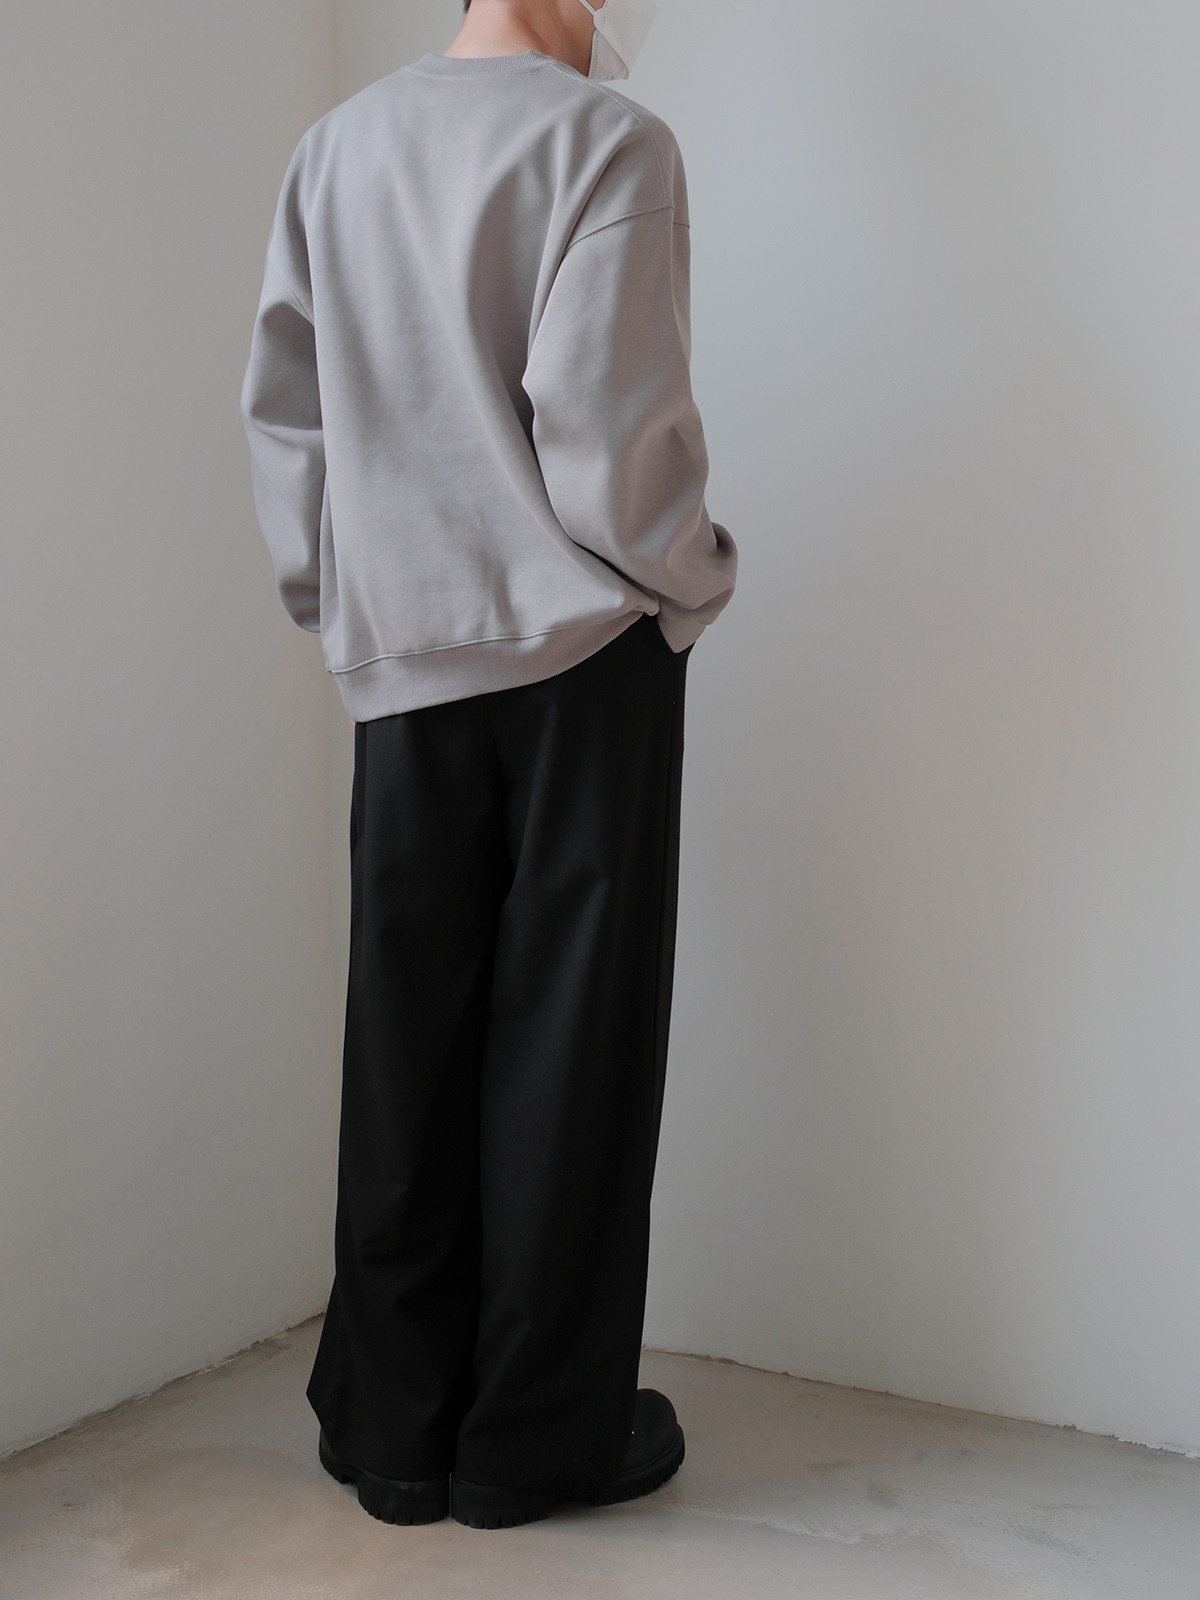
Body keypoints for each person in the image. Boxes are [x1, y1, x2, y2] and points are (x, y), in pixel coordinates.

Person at [240, 0, 736, 1532]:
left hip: (403, 654)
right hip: (582, 651)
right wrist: (691, 579)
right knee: (570, 1046)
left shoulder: (336, 147)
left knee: (408, 1026)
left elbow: (287, 421)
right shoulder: (607, 144)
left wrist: (350, 608)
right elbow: (608, 431)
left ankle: (393, 1423)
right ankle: (533, 1436)